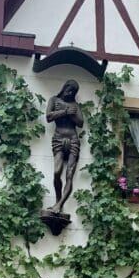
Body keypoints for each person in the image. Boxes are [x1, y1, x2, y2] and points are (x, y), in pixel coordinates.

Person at [46, 79, 84, 214]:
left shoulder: (75, 105)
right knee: (57, 172)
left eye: (73, 92)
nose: (70, 93)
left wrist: (71, 114)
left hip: (73, 139)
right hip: (58, 138)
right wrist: (65, 112)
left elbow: (80, 123)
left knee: (69, 174)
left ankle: (59, 205)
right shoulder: (54, 100)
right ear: (64, 88)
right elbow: (48, 117)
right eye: (69, 90)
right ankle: (58, 201)